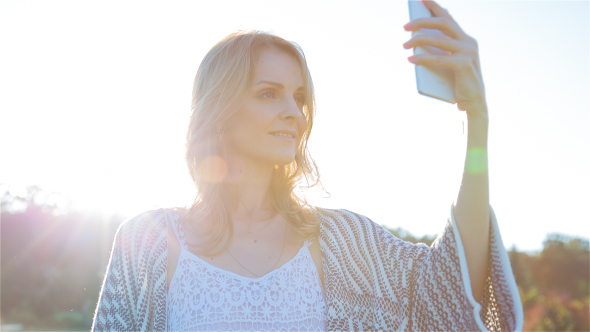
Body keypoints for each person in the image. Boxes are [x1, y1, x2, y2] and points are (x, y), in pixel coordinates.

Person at [91, 1, 523, 331]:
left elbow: (451, 287)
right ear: (218, 110)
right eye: (268, 93)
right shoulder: (145, 243)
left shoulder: (344, 243)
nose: (294, 113)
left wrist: (475, 114)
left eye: (299, 98)